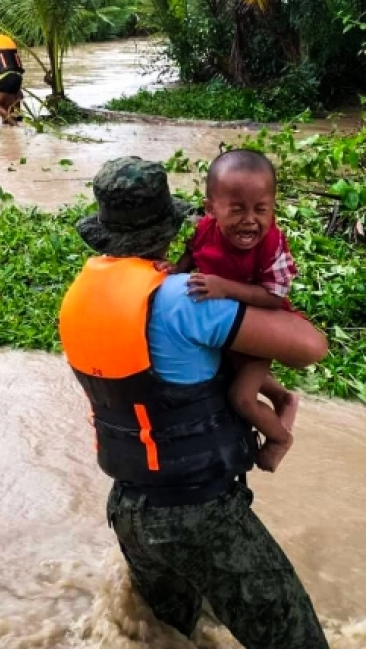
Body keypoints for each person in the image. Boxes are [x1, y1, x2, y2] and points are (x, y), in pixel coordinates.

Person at [57, 157, 330, 648]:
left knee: (168, 637)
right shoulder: (185, 297)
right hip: (199, 511)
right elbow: (311, 347)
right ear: (172, 225)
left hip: (128, 507)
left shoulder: (80, 296)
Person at [158, 149, 301, 472]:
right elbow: (191, 258)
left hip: (262, 325)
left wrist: (223, 287)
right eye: (237, 209)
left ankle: (279, 438)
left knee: (242, 398)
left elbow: (274, 297)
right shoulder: (204, 229)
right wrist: (173, 272)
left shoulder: (272, 244)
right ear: (211, 209)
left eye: (261, 210)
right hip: (225, 325)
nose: (250, 219)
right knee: (228, 374)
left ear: (273, 208)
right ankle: (284, 398)